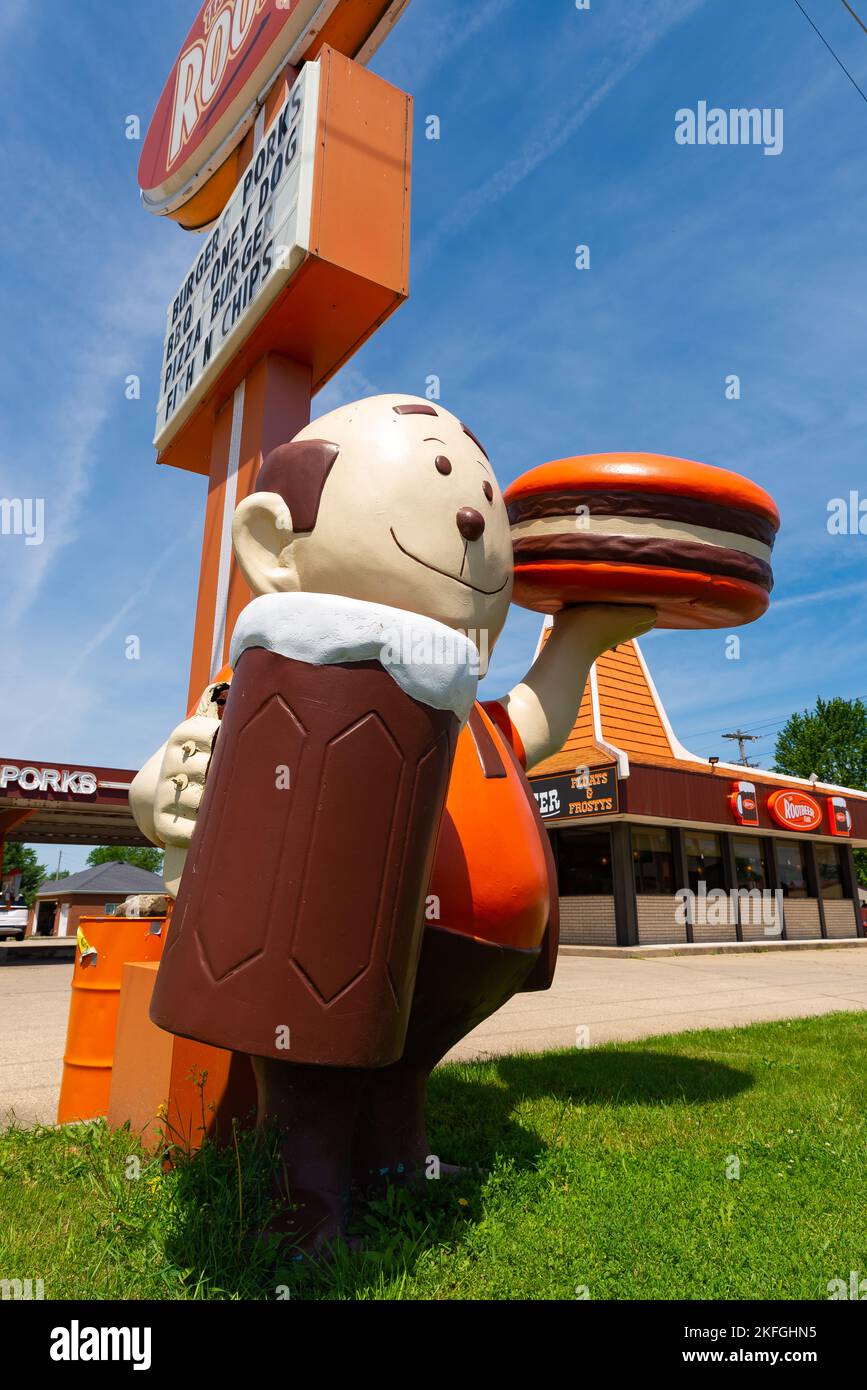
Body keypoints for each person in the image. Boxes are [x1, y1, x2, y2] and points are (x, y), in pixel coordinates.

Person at [130, 394, 653, 1248]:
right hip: (329, 942)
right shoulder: (275, 686)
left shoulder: (460, 701)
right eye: (444, 480)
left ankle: (396, 1162)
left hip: (456, 958)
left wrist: (579, 640)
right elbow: (175, 777)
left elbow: (536, 719)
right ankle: (304, 1203)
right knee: (310, 1079)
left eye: (480, 497)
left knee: (394, 1073)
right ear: (272, 542)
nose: (467, 518)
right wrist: (166, 797)